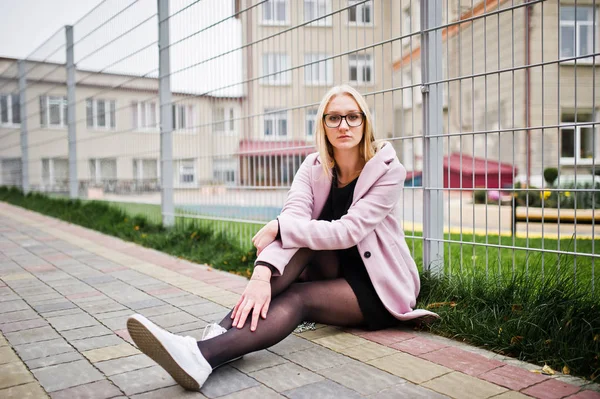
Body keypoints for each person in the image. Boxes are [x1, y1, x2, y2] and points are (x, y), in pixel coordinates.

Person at [126, 84, 438, 391]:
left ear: (365, 122)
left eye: (352, 117)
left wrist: (282, 227)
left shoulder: (388, 170)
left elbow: (348, 231)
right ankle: (214, 337)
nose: (344, 125)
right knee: (299, 236)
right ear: (323, 125)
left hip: (377, 286)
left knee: (297, 297)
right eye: (334, 118)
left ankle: (203, 353)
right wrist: (261, 275)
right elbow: (292, 221)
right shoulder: (312, 166)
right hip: (330, 269)